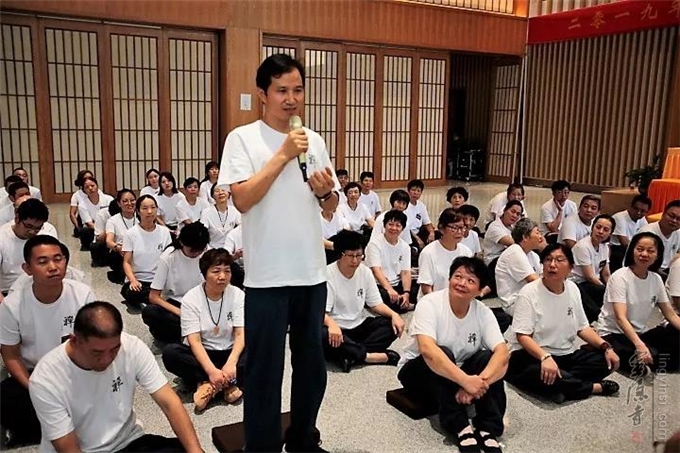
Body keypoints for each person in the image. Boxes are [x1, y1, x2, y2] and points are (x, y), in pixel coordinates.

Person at [218, 53, 339, 452]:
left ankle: (303, 439)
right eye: (282, 90)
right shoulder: (242, 138)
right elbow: (242, 199)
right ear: (262, 94)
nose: (291, 99)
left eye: (298, 90)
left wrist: (325, 194)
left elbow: (330, 205)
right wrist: (284, 153)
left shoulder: (314, 140)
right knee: (263, 371)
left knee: (311, 368)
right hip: (266, 277)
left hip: (311, 273)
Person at [28, 302, 204, 453]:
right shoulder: (46, 379)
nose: (107, 359)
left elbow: (169, 403)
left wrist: (195, 450)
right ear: (74, 340)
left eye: (114, 349)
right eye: (97, 352)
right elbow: (69, 448)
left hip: (129, 441)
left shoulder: (131, 347)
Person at [398, 257, 509, 453]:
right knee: (442, 352)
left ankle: (488, 427)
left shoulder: (483, 312)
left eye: (470, 280)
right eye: (458, 277)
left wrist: (478, 383)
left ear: (480, 290)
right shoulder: (430, 303)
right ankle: (460, 426)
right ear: (449, 279)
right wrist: (465, 381)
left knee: (487, 357)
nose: (462, 283)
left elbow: (502, 353)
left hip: (460, 372)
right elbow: (427, 350)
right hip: (418, 372)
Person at [0, 235, 95, 446]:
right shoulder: (12, 305)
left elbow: (94, 342)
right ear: (27, 269)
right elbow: (11, 355)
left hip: (75, 369)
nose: (53, 267)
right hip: (35, 373)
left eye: (58, 259)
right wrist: (34, 387)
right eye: (43, 262)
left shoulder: (82, 294)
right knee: (5, 398)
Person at [505, 243, 621, 404]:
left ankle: (561, 386)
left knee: (605, 360)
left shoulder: (573, 288)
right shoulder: (529, 292)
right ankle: (592, 387)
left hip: (566, 354)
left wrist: (606, 347)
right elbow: (523, 336)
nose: (552, 265)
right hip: (533, 355)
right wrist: (545, 357)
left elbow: (583, 327)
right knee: (533, 372)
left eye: (559, 260)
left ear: (570, 268)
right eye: (548, 259)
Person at [162, 249, 246, 413]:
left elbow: (240, 334)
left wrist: (231, 362)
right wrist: (211, 371)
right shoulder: (191, 299)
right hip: (204, 354)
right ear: (204, 274)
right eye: (216, 271)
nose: (222, 276)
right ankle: (227, 383)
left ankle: (208, 384)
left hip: (230, 352)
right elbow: (195, 341)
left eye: (227, 271)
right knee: (171, 353)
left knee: (262, 346)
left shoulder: (237, 294)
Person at [597, 232, 680, 373]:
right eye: (640, 249)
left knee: (673, 333)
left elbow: (670, 314)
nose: (644, 254)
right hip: (614, 333)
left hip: (639, 332)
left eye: (650, 251)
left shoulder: (656, 279)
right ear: (632, 251)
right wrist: (639, 345)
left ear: (657, 255)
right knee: (642, 363)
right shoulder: (620, 277)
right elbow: (620, 317)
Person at [323, 230, 404, 372]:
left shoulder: (365, 272)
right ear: (340, 254)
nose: (355, 261)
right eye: (350, 255)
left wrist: (394, 314)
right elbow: (320, 312)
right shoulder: (327, 274)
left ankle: (350, 355)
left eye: (359, 255)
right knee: (320, 335)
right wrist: (332, 325)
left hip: (358, 325)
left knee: (390, 325)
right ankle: (369, 356)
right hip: (337, 328)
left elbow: (376, 304)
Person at [142, 222, 210, 343]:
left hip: (203, 303)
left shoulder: (208, 253)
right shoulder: (169, 257)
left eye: (200, 250)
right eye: (193, 251)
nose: (197, 254)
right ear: (182, 243)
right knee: (150, 312)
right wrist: (181, 313)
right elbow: (154, 297)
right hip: (177, 304)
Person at [121, 195, 172, 307]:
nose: (149, 211)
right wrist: (133, 280)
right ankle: (157, 300)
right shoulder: (131, 233)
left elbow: (169, 259)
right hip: (138, 281)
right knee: (132, 293)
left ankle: (153, 300)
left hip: (158, 280)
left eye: (153, 207)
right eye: (145, 208)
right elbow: (127, 262)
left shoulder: (164, 232)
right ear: (138, 211)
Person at [494, 218, 544, 329]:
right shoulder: (514, 252)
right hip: (514, 302)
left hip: (530, 297)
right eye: (537, 233)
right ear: (525, 237)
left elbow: (543, 277)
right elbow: (534, 280)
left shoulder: (533, 255)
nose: (541, 237)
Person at [0, 199, 58, 295]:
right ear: (17, 219)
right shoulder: (2, 238)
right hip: (9, 292)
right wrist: (4, 303)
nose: (32, 232)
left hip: (40, 288)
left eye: (37, 228)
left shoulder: (46, 235)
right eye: (28, 226)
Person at [366, 210, 416, 313]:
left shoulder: (405, 246)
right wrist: (389, 289)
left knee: (417, 289)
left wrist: (406, 293)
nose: (393, 228)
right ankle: (406, 305)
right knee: (382, 296)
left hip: (397, 283)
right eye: (390, 224)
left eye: (398, 225)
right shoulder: (374, 244)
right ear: (384, 225)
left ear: (402, 228)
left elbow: (405, 272)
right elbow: (376, 271)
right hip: (380, 285)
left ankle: (404, 301)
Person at [417, 209, 472, 298]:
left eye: (462, 228)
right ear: (442, 228)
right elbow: (426, 288)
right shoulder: (428, 252)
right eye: (454, 228)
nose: (459, 232)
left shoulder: (466, 252)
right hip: (433, 301)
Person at [570, 214, 614, 323]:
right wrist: (606, 290)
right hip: (576, 282)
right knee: (601, 292)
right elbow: (589, 276)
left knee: (609, 292)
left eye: (606, 230)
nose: (601, 232)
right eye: (598, 227)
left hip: (591, 282)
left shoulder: (605, 247)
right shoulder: (583, 246)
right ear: (592, 227)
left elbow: (606, 274)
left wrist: (613, 288)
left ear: (610, 233)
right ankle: (599, 319)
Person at [638, 199, 680, 275]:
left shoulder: (677, 232)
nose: (674, 221)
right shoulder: (648, 233)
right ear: (663, 214)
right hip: (646, 269)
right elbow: (640, 261)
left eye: (679, 219)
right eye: (671, 216)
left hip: (665, 269)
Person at [610, 195, 651, 272]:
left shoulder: (642, 219)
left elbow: (646, 236)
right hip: (616, 248)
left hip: (632, 247)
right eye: (636, 209)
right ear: (630, 207)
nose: (639, 213)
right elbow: (624, 243)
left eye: (642, 211)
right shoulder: (620, 217)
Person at [105, 189, 137, 284]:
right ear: (119, 204)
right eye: (125, 201)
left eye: (132, 200)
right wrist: (118, 247)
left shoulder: (141, 217)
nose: (129, 203)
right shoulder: (112, 220)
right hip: (121, 251)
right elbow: (109, 241)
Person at [200, 184, 241, 249]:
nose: (221, 193)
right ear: (212, 196)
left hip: (231, 248)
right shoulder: (206, 212)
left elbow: (241, 228)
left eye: (223, 190)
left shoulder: (234, 210)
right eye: (217, 191)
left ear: (229, 194)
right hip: (212, 249)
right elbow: (202, 232)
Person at [481, 200, 522, 266]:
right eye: (512, 211)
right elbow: (512, 243)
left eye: (518, 214)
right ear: (504, 210)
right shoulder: (494, 226)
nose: (514, 216)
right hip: (493, 261)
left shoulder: (512, 227)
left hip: (506, 259)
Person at [405, 179, 435, 249]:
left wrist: (432, 232)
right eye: (413, 190)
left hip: (418, 232)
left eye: (418, 191)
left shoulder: (421, 205)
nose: (415, 193)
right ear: (408, 191)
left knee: (437, 235)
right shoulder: (404, 205)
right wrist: (417, 238)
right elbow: (406, 228)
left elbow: (427, 223)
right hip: (408, 233)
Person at [89, 199, 119, 267]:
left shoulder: (130, 213)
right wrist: (111, 226)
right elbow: (99, 238)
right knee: (96, 247)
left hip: (121, 242)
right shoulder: (101, 214)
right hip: (105, 243)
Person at [68, 169, 94, 238]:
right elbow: (72, 214)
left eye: (90, 178)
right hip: (83, 222)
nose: (88, 180)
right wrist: (78, 227)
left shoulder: (98, 192)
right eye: (85, 178)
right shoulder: (76, 195)